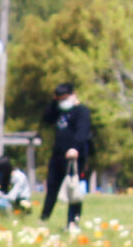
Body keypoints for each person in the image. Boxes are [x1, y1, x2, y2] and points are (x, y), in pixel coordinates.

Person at [40, 82, 96, 227]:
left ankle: (72, 222)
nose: (62, 102)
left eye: (64, 98)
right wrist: (54, 102)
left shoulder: (81, 111)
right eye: (59, 99)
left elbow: (82, 132)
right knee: (52, 188)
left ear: (72, 95)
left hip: (74, 157)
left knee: (73, 189)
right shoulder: (59, 111)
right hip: (58, 155)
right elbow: (46, 119)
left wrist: (75, 148)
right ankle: (44, 218)